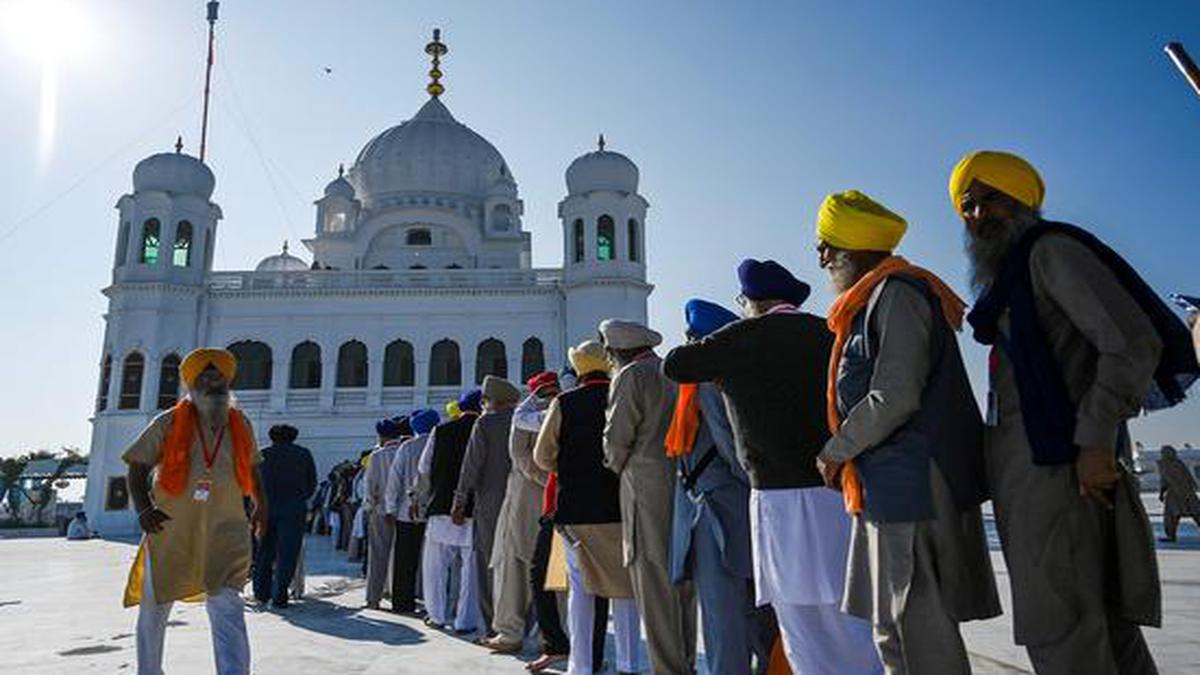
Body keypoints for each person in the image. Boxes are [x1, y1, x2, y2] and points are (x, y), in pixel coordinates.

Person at [950, 150, 1199, 674]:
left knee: (1061, 633)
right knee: (1103, 629)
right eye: (967, 206)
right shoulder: (1013, 282)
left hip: (1062, 471)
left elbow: (1131, 343)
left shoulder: (1049, 252)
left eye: (989, 199)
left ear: (1021, 201)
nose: (976, 215)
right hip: (1037, 475)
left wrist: (1093, 442)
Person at [811, 190, 1001, 673]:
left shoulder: (896, 295)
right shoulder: (870, 300)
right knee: (892, 629)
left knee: (917, 628)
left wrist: (837, 450)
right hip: (887, 483)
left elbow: (895, 395)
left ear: (851, 251)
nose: (822, 257)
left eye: (826, 245)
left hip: (910, 483)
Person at [662, 259, 881, 675]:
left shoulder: (743, 336)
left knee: (795, 613)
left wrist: (730, 339)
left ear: (750, 301)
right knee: (847, 606)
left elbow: (675, 364)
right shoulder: (830, 332)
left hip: (775, 496)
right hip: (835, 488)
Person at [121, 347, 267, 675]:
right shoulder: (169, 421)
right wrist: (144, 509)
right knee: (155, 607)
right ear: (193, 381)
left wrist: (261, 507)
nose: (214, 381)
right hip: (172, 528)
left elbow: (254, 469)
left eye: (219, 376)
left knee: (227, 604)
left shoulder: (239, 422)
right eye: (207, 375)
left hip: (226, 528)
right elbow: (137, 467)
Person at [664, 299, 774, 675]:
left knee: (723, 617)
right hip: (724, 508)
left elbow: (732, 450)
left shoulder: (706, 385)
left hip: (718, 513)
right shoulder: (704, 385)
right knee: (752, 609)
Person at [536, 339, 645, 675]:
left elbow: (542, 456)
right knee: (625, 589)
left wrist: (568, 466)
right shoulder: (621, 395)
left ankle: (580, 666)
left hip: (575, 509)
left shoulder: (565, 402)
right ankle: (630, 664)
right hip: (620, 507)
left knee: (581, 592)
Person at [601, 320, 695, 675]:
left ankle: (668, 668)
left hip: (644, 486)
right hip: (682, 482)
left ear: (614, 352)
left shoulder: (631, 376)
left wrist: (614, 464)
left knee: (653, 581)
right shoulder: (672, 370)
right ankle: (684, 661)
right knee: (683, 580)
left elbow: (617, 438)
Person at [484, 370, 562, 654]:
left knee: (520, 569)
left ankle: (516, 633)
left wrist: (551, 480)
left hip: (535, 498)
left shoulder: (530, 415)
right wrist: (556, 480)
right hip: (538, 498)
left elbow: (522, 460)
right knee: (539, 569)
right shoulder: (541, 413)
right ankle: (521, 632)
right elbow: (522, 458)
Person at [453, 375, 521, 638]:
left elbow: (471, 467)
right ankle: (521, 624)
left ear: (493, 401)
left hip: (491, 504)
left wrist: (459, 502)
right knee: (518, 562)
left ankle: (495, 625)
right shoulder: (523, 419)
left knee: (489, 563)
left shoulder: (485, 423)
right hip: (522, 500)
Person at [416, 389, 483, 633]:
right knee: (471, 568)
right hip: (475, 508)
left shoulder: (441, 430)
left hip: (442, 503)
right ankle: (466, 621)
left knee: (435, 565)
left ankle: (437, 615)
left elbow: (424, 466)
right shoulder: (485, 429)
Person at [253, 423, 317, 609]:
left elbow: (253, 483)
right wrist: (300, 498)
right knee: (287, 554)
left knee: (264, 552)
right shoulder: (303, 454)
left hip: (266, 507)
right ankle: (280, 595)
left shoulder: (262, 454)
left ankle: (261, 593)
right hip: (293, 509)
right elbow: (311, 483)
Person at [387, 409, 439, 614]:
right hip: (433, 511)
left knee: (404, 560)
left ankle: (402, 602)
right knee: (432, 560)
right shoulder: (439, 443)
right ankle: (432, 602)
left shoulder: (407, 447)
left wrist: (391, 507)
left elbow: (395, 480)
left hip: (406, 512)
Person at [363, 417, 411, 609]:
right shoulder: (405, 451)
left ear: (381, 436)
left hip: (380, 510)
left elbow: (370, 487)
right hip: (404, 511)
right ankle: (399, 594)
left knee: (378, 555)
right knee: (402, 556)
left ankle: (373, 598)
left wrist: (369, 508)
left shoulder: (377, 456)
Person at [1158, 446, 1200, 542]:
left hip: (1182, 493)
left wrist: (1161, 492)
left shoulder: (1166, 464)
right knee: (1172, 516)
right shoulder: (1174, 463)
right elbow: (1166, 480)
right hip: (1181, 493)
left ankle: (1171, 536)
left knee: (1195, 513)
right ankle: (1171, 536)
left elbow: (1165, 480)